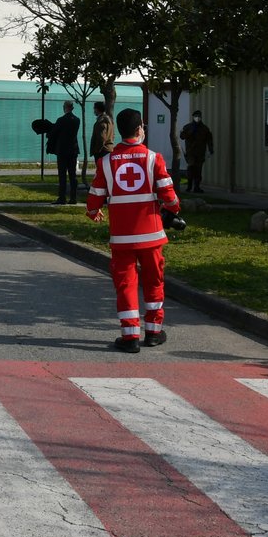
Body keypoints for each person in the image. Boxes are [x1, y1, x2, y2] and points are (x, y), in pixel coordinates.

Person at [86, 108, 180, 353]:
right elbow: (170, 197)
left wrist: (93, 212)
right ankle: (154, 332)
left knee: (126, 284)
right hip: (152, 236)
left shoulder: (105, 162)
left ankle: (129, 337)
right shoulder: (153, 158)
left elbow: (95, 196)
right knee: (154, 282)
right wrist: (173, 209)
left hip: (122, 238)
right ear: (140, 130)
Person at [47, 102, 81, 204]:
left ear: (65, 108)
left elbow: (54, 132)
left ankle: (62, 197)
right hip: (73, 150)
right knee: (72, 175)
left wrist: (49, 133)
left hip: (62, 150)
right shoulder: (77, 120)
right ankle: (73, 198)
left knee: (62, 175)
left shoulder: (61, 120)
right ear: (72, 108)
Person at [179, 110, 215, 193]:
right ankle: (189, 186)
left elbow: (209, 140)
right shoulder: (187, 127)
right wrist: (190, 132)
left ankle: (197, 187)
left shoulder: (205, 128)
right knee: (191, 168)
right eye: (196, 116)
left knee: (198, 170)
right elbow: (182, 136)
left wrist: (211, 149)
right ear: (193, 117)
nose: (197, 118)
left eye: (198, 116)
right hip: (190, 152)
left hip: (200, 152)